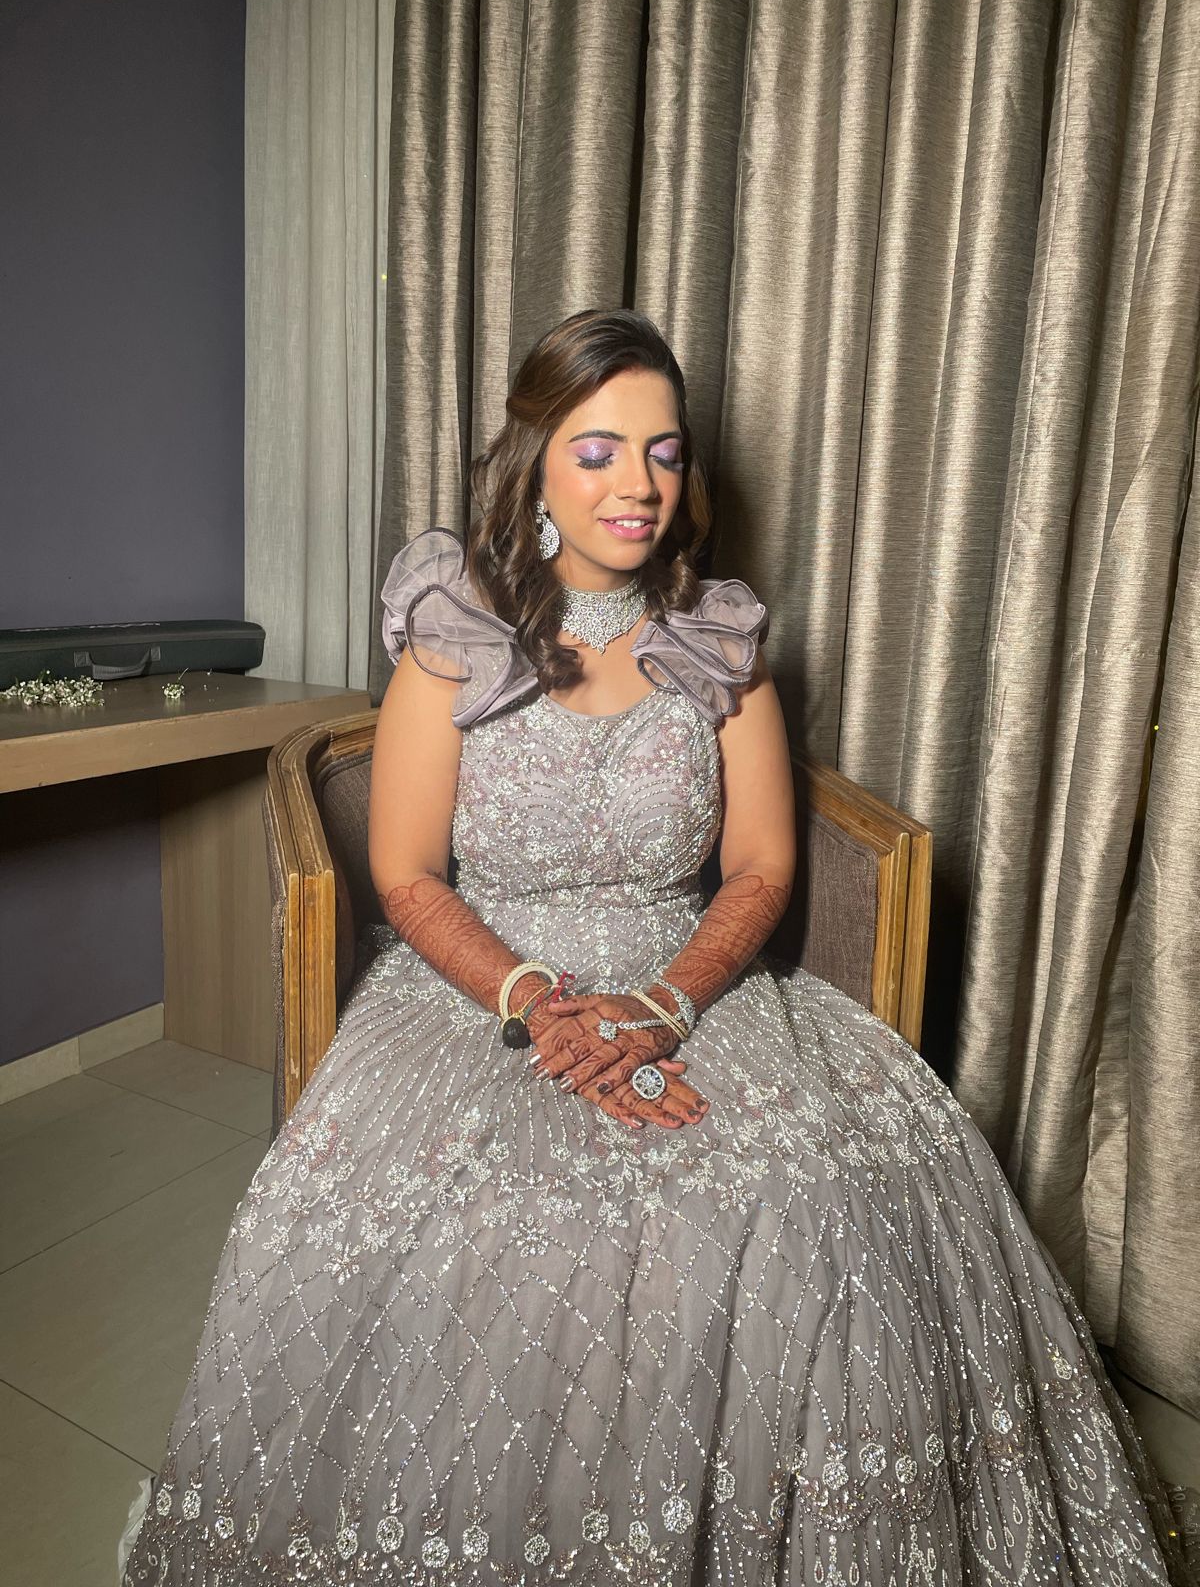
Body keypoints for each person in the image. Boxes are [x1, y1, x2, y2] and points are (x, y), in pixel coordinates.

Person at [118, 308, 1190, 1585]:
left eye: (665, 452)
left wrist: (665, 1003)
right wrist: (536, 999)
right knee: (503, 1234)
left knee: (810, 1202)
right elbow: (404, 873)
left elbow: (764, 866)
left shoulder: (716, 640)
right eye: (599, 451)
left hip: (686, 978)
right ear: (536, 470)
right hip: (484, 981)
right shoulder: (456, 632)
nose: (639, 483)